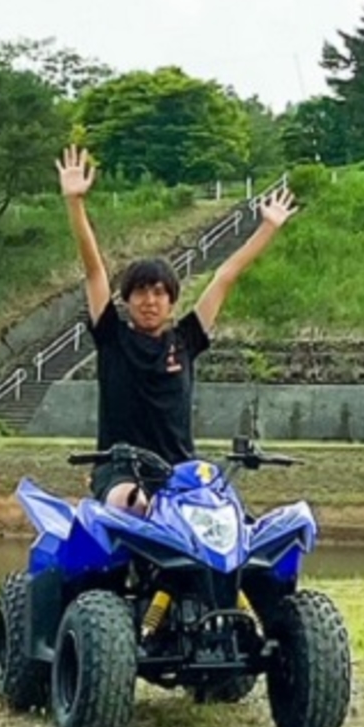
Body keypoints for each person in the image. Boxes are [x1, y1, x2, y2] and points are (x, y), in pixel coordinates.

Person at [59, 146, 295, 512]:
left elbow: (225, 276)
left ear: (171, 302)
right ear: (126, 300)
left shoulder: (186, 340)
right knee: (133, 504)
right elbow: (94, 271)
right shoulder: (112, 337)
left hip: (179, 471)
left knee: (228, 515)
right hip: (120, 469)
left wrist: (267, 227)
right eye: (140, 292)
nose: (149, 301)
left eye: (159, 293)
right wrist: (75, 203)